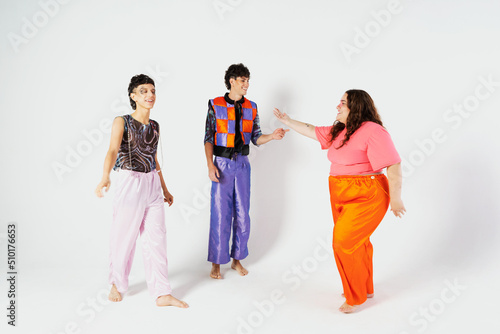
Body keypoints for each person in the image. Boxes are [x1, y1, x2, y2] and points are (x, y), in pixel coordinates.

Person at [273, 89, 406, 313]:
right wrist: (287, 120)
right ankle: (365, 287)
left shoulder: (374, 131)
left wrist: (396, 199)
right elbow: (311, 130)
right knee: (358, 242)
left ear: (356, 107)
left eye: (343, 103)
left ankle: (356, 298)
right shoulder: (340, 131)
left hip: (367, 194)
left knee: (343, 243)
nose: (338, 106)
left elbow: (393, 166)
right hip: (340, 192)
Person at [95, 74, 188, 308]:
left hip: (152, 185)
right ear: (133, 96)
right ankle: (117, 283)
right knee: (124, 237)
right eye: (144, 91)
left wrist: (165, 188)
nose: (150, 95)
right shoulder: (122, 121)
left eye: (153, 91)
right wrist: (105, 176)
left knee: (157, 238)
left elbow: (153, 159)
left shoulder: (155, 126)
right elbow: (112, 150)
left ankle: (161, 292)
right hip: (129, 182)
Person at [204, 63, 288, 279]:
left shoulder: (252, 107)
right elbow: (208, 138)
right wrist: (210, 164)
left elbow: (256, 136)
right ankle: (216, 262)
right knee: (220, 213)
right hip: (221, 164)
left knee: (242, 213)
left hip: (242, 163)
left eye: (248, 81)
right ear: (232, 81)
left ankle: (236, 260)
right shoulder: (215, 105)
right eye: (243, 80)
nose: (246, 85)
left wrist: (272, 136)